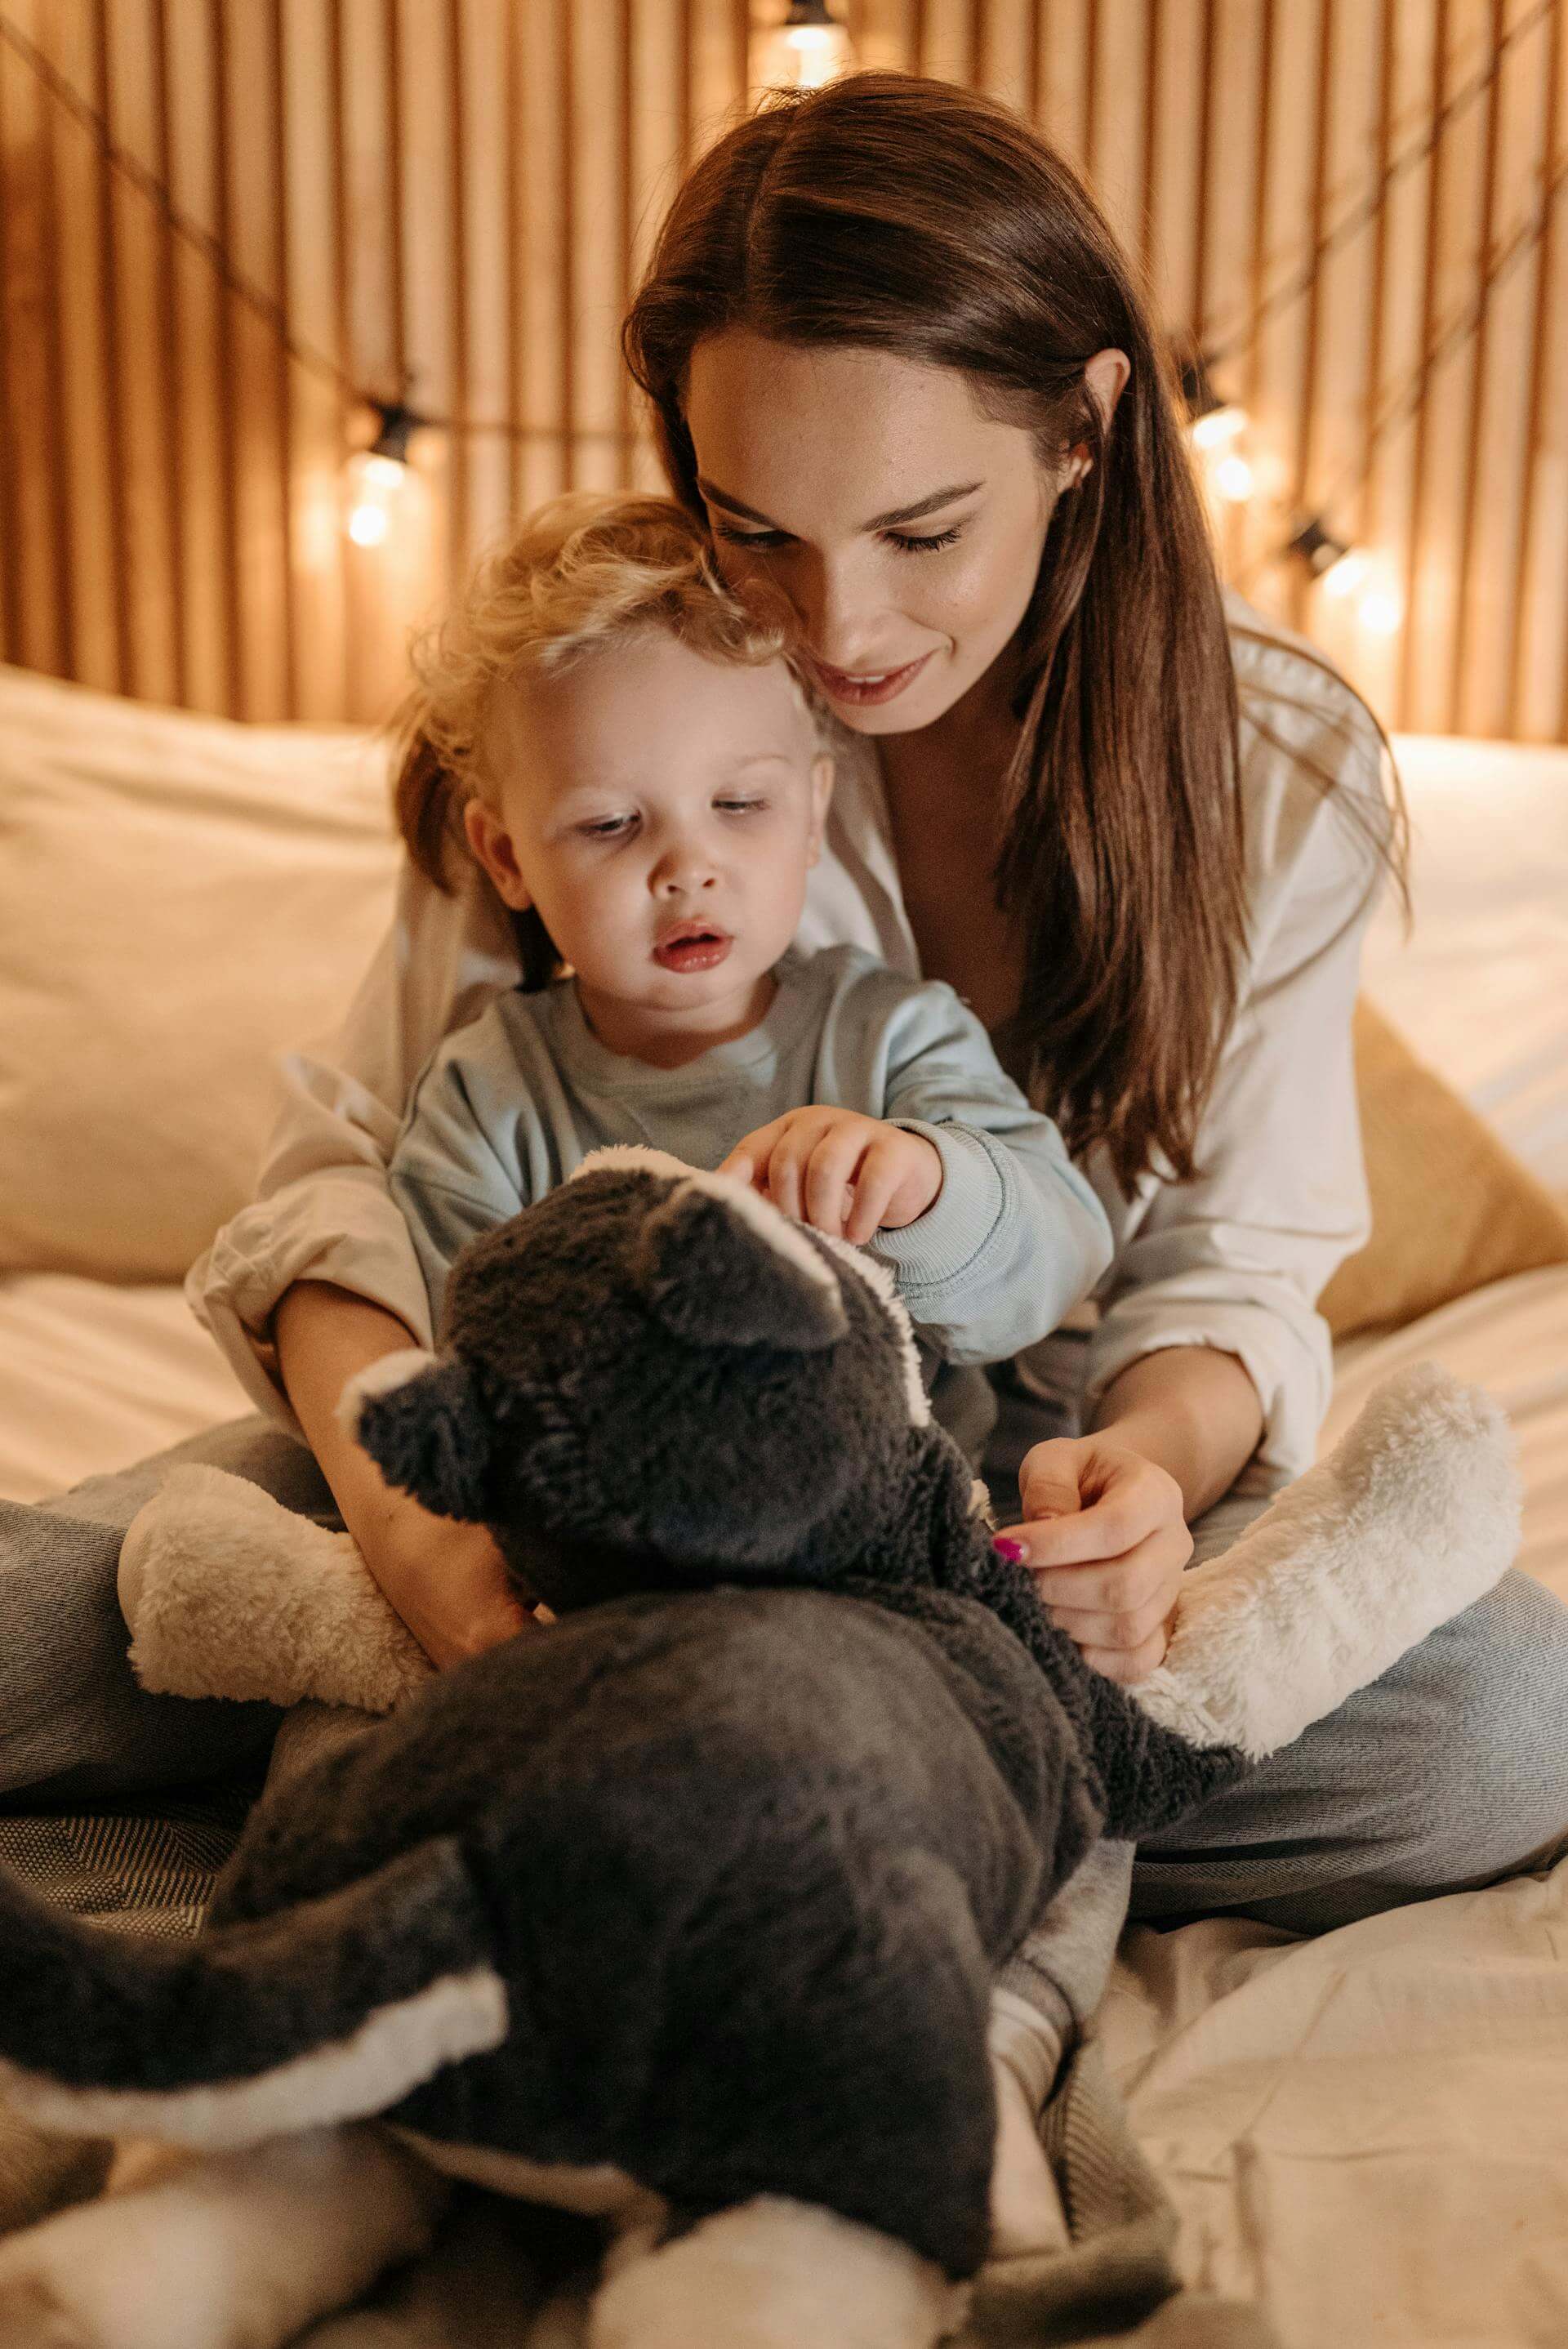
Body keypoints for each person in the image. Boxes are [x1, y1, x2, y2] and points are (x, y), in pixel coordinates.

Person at [3, 65, 1565, 2312]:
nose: (833, 622)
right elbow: (345, 1187)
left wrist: (1152, 1467)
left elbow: (1228, 1264)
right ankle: (666, 1773)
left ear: (1086, 429)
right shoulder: (621, 689)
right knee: (81, 1590)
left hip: (987, 1511)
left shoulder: (1276, 760)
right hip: (552, 1455)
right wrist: (434, 1556)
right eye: (757, 523)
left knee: (1506, 1717)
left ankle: (719, 1770)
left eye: (923, 530)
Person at [377, 488, 1110, 1379]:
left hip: (880, 1495)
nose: (688, 867)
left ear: (812, 815)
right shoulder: (489, 1100)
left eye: (738, 804)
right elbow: (457, 1359)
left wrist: (925, 1180)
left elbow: (1064, 1244)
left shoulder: (889, 1037)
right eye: (610, 823)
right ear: (507, 859)